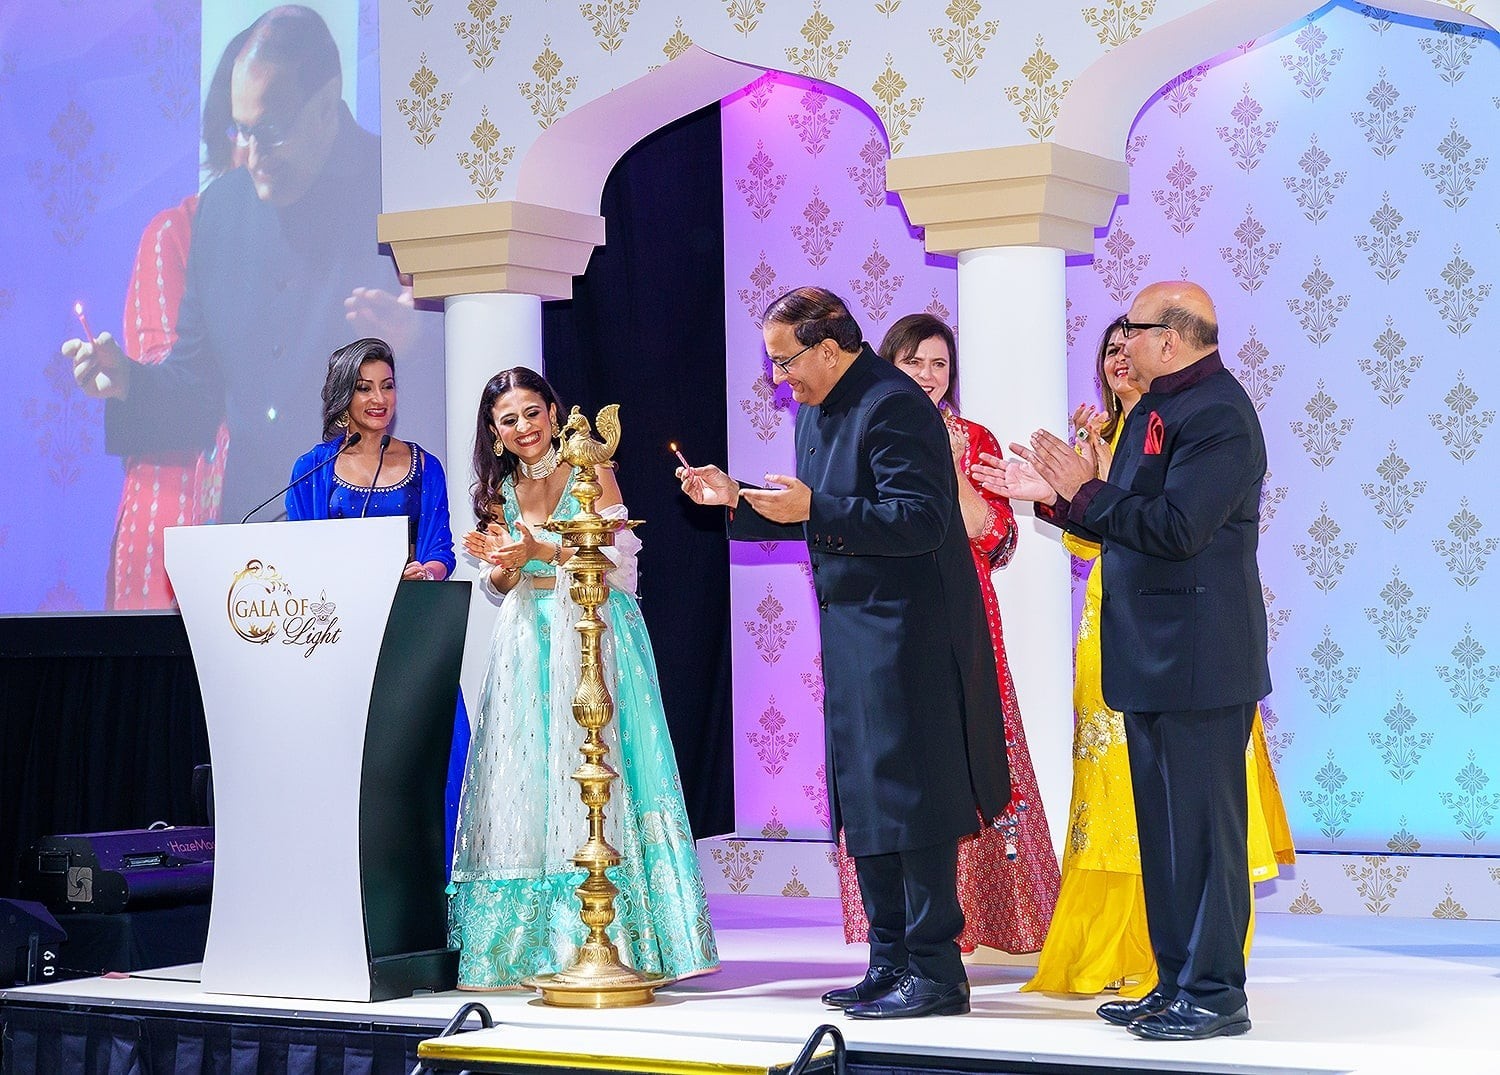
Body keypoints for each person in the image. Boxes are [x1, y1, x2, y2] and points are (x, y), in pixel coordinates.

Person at [678, 287, 1008, 1020]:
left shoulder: (893, 404)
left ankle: (935, 967)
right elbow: (813, 508)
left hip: (911, 634)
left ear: (828, 347)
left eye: (784, 360)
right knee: (867, 800)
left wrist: (813, 510)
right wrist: (737, 498)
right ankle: (889, 959)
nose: (777, 378)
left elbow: (922, 519)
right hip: (855, 631)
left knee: (912, 799)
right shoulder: (818, 408)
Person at [979, 281, 1270, 1041]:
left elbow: (1175, 527)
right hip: (1148, 659)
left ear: (1170, 339)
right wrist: (1061, 496)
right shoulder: (1152, 408)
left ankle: (1215, 994)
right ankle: (1173, 982)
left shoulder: (1221, 417)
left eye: (1133, 331)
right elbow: (1122, 518)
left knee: (1205, 835)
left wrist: (1089, 489)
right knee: (1164, 835)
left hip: (1203, 663)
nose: (1121, 342)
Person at [66, 5, 427, 526]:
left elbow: (473, 385)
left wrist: (415, 342)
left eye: (272, 130)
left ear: (326, 105)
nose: (253, 155)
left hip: (378, 514)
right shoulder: (221, 210)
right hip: (252, 529)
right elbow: (197, 393)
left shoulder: (398, 189)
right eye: (242, 130)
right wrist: (129, 383)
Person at [450, 367, 718, 990]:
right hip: (528, 641)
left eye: (531, 413)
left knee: (599, 770)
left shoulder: (589, 466)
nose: (523, 428)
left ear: (552, 411)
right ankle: (535, 946)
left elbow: (617, 561)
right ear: (493, 433)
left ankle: (618, 940)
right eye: (507, 420)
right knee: (532, 779)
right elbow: (503, 586)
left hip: (594, 631)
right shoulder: (501, 492)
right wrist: (500, 563)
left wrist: (540, 551)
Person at [829, 313, 1060, 956]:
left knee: (976, 751)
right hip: (885, 619)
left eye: (939, 364)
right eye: (914, 363)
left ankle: (992, 920)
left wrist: (953, 469)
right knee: (894, 765)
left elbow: (998, 538)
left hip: (964, 611)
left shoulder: (972, 438)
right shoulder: (865, 427)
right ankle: (900, 932)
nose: (928, 377)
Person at [284, 337, 468, 865]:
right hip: (340, 637)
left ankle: (436, 883)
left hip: (409, 634)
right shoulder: (314, 467)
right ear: (343, 394)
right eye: (365, 387)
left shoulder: (423, 465)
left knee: (446, 741)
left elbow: (440, 549)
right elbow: (303, 549)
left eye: (387, 386)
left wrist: (426, 570)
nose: (378, 398)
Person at [105, 27, 250, 609]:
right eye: (244, 128)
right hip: (174, 502)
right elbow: (174, 381)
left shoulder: (308, 245)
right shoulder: (178, 233)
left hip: (255, 513)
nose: (260, 148)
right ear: (225, 132)